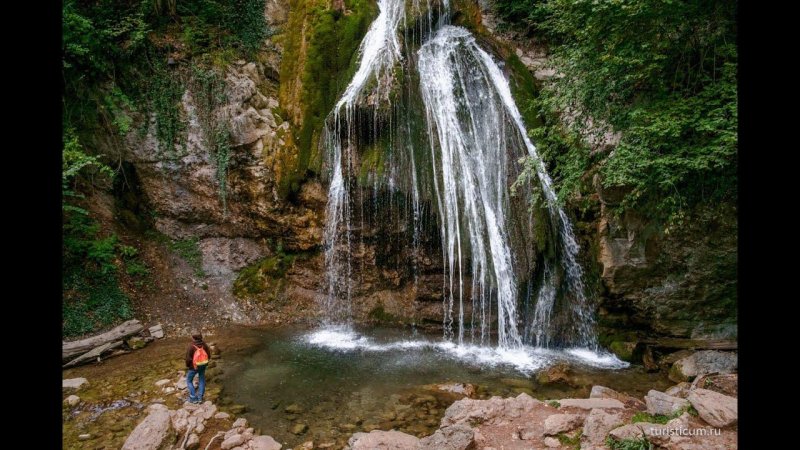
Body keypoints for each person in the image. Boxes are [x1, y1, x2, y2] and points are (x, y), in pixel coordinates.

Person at [185, 331, 212, 404]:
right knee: (202, 379)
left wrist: (188, 366)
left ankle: (193, 398)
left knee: (189, 381)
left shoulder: (191, 346)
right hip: (203, 365)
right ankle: (200, 398)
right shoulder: (204, 345)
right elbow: (209, 355)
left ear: (193, 338)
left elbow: (188, 359)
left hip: (194, 367)